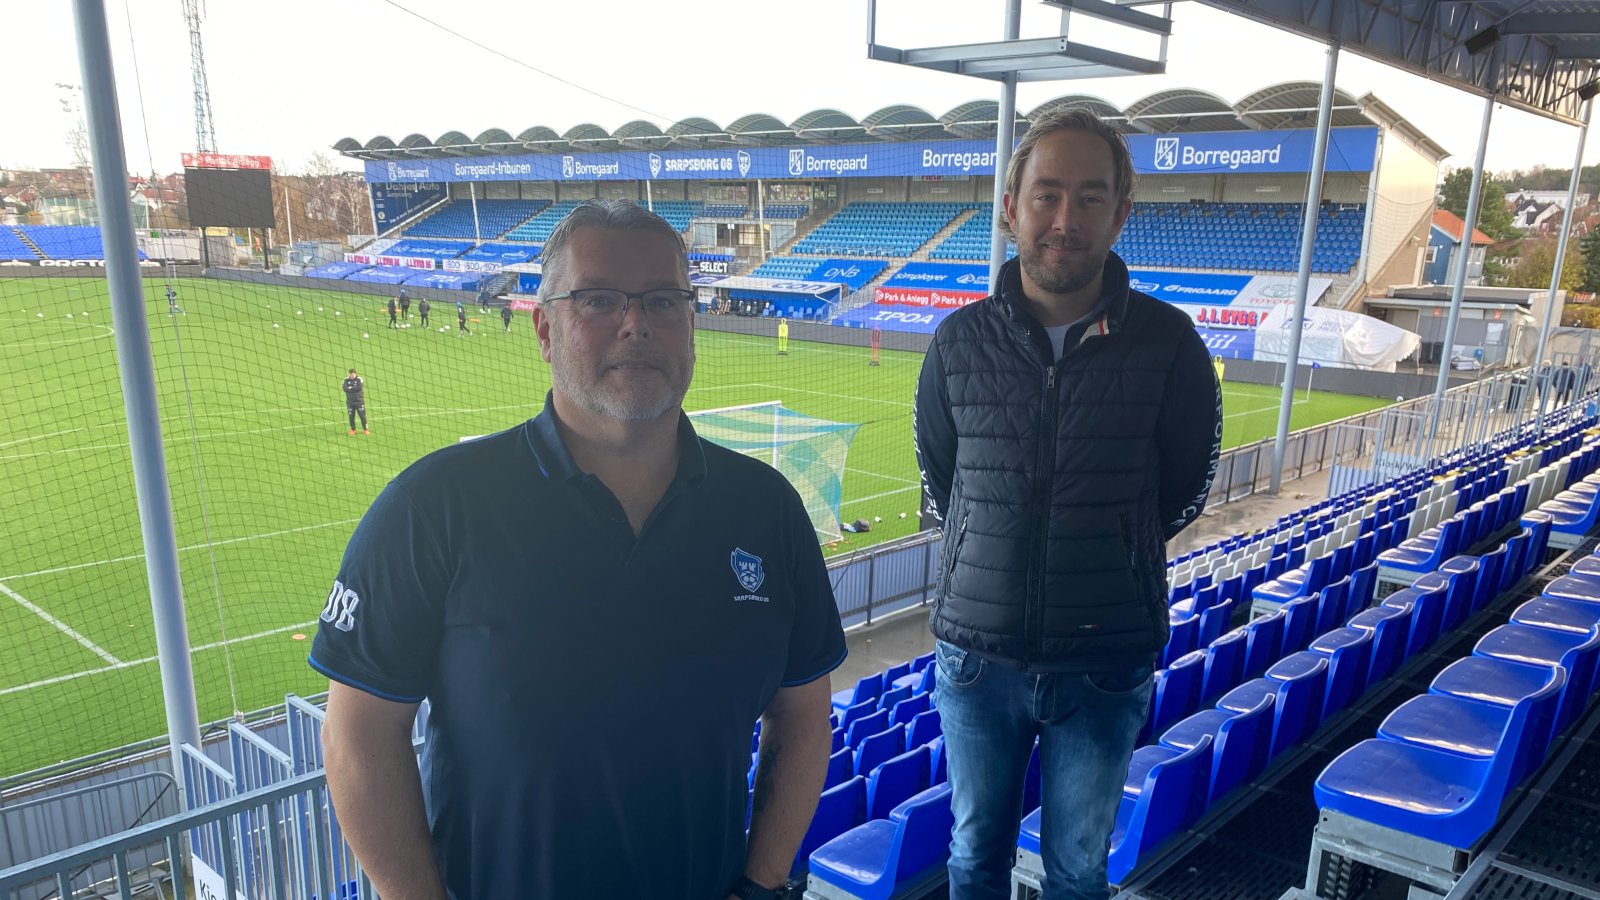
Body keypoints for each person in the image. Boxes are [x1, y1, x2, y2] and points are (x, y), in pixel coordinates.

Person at [312, 199, 844, 899]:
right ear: (543, 327)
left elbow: (804, 713)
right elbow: (359, 737)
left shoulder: (766, 508)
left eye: (662, 299)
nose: (636, 322)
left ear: (691, 323)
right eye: (598, 299)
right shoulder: (433, 505)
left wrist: (760, 882)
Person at [914, 106, 1222, 900]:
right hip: (978, 656)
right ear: (1010, 207)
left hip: (1105, 658)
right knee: (973, 852)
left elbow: (1185, 482)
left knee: (1079, 869)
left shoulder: (1169, 343)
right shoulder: (957, 344)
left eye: (1090, 197)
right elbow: (947, 484)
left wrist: (1113, 548)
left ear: (1121, 213)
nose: (1064, 219)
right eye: (1047, 194)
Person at [342, 368, 368, 436]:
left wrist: (351, 388)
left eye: (353, 374)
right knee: (351, 417)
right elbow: (344, 388)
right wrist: (353, 388)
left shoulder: (359, 379)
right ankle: (353, 430)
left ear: (355, 374)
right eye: (350, 374)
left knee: (362, 416)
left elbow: (359, 388)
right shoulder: (346, 380)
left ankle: (365, 429)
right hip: (350, 402)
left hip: (359, 402)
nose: (351, 375)